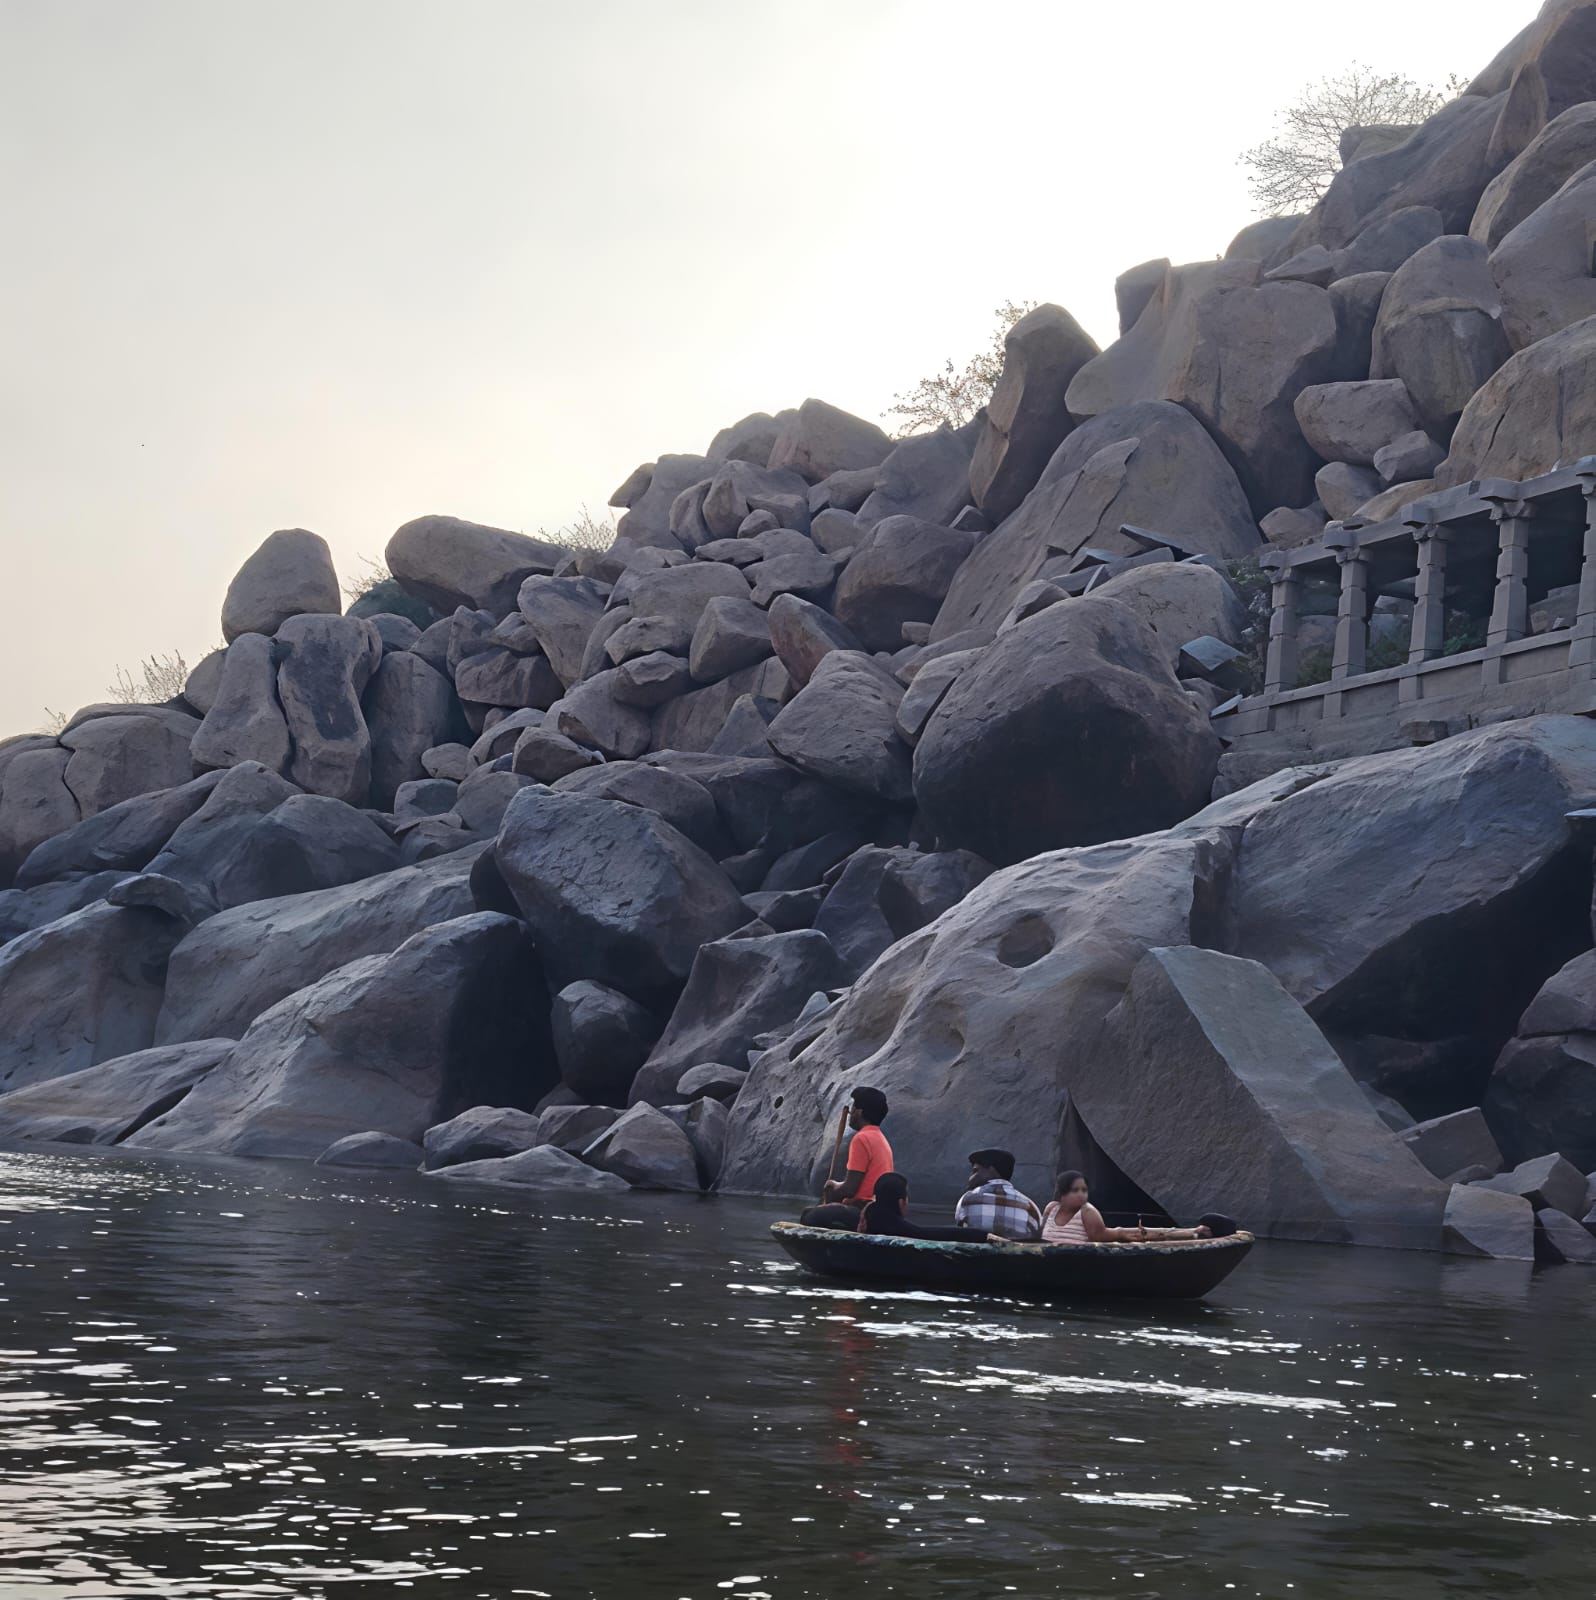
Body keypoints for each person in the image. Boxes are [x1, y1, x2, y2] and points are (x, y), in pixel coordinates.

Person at [798, 1087, 893, 1230]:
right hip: (879, 1210)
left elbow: (849, 1189)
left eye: (853, 1108)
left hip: (865, 1211)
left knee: (808, 1214)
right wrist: (836, 1185)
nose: (850, 1114)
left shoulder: (861, 1139)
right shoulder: (880, 1138)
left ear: (859, 1112)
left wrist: (832, 1187)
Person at [1040, 1171, 1216, 1243]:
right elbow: (1037, 1235)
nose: (1081, 1195)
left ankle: (1194, 1232)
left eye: (1083, 1190)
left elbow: (1117, 1234)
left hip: (1074, 1262)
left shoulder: (1088, 1212)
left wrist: (1189, 1233)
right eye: (1075, 1190)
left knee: (1134, 1232)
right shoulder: (1052, 1208)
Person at [856, 1173, 1002, 1242]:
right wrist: (984, 1236)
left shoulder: (870, 1215)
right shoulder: (901, 1230)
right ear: (901, 1203)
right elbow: (933, 1234)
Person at [953, 1149, 1043, 1241]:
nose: (970, 1178)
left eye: (975, 1171)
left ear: (992, 1170)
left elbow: (961, 1236)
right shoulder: (1031, 1207)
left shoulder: (967, 1199)